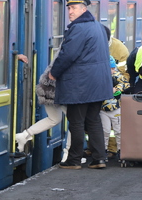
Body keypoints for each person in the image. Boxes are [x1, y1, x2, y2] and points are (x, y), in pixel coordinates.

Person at [49, 0, 113, 169]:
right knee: (93, 120)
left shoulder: (78, 28)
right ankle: (99, 158)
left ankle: (74, 160)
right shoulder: (98, 26)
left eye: (73, 8)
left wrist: (54, 72)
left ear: (84, 9)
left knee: (76, 122)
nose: (70, 11)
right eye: (69, 8)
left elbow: (67, 55)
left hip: (81, 85)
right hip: (98, 84)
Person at [15, 51, 71, 162]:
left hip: (47, 88)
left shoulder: (67, 47)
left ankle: (24, 135)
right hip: (58, 90)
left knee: (54, 119)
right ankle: (69, 153)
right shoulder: (75, 49)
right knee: (76, 121)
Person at [100, 56, 129, 162]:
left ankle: (122, 152)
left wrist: (117, 89)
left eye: (113, 68)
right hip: (103, 110)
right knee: (105, 131)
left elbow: (126, 84)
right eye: (111, 69)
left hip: (116, 109)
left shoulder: (117, 75)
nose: (113, 70)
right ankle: (103, 152)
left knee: (119, 130)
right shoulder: (101, 78)